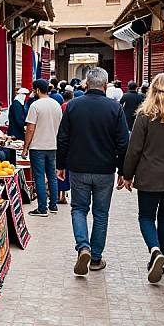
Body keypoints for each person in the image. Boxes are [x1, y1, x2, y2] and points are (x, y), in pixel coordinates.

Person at [57, 67, 129, 275]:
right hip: (105, 169)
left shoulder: (72, 106)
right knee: (101, 214)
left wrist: (60, 165)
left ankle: (83, 247)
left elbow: (62, 138)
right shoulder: (115, 108)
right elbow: (123, 142)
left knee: (79, 209)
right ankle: (95, 258)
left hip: (78, 167)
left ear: (86, 84)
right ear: (105, 85)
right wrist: (123, 171)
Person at [121, 73, 164, 283]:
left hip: (149, 176)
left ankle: (155, 251)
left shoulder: (144, 115)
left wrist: (127, 175)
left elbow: (134, 149)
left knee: (146, 217)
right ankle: (160, 257)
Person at [22, 79, 63, 216]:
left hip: (38, 146)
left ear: (37, 90)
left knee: (39, 176)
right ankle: (53, 205)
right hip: (53, 145)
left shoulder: (35, 105)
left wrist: (25, 147)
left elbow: (30, 129)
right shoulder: (56, 104)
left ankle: (42, 208)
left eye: (34, 90)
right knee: (52, 175)